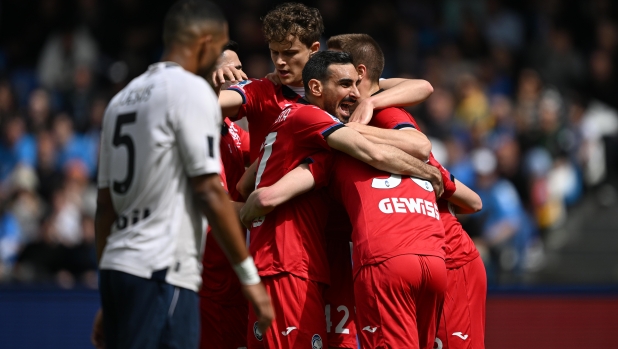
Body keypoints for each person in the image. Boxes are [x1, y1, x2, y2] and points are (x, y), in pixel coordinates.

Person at [90, 2, 273, 348]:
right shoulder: (191, 94)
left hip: (119, 267)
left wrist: (107, 290)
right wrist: (249, 277)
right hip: (163, 268)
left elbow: (104, 207)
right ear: (205, 43)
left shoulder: (121, 100)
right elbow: (207, 191)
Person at [239, 50, 443, 349]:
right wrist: (429, 173)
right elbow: (374, 153)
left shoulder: (298, 127)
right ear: (317, 88)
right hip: (286, 261)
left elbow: (249, 185)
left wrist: (252, 213)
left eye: (357, 85)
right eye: (346, 84)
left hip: (283, 262)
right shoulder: (312, 117)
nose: (355, 93)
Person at [327, 33, 487, 349]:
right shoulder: (367, 110)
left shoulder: (388, 116)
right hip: (422, 256)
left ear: (357, 74)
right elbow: (422, 87)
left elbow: (423, 145)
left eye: (336, 65)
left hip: (451, 258)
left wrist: (362, 117)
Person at [215, 2, 434, 163]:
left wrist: (370, 103)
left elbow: (422, 87)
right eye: (274, 52)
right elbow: (212, 103)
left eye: (290, 53)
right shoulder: (261, 91)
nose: (280, 62)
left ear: (314, 49)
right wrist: (211, 80)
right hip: (283, 215)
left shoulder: (339, 85)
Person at [199, 41, 253, 349]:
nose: (240, 77)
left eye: (241, 68)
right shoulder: (194, 127)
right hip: (206, 277)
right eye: (231, 69)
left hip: (233, 274)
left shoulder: (232, 128)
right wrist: (258, 210)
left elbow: (266, 159)